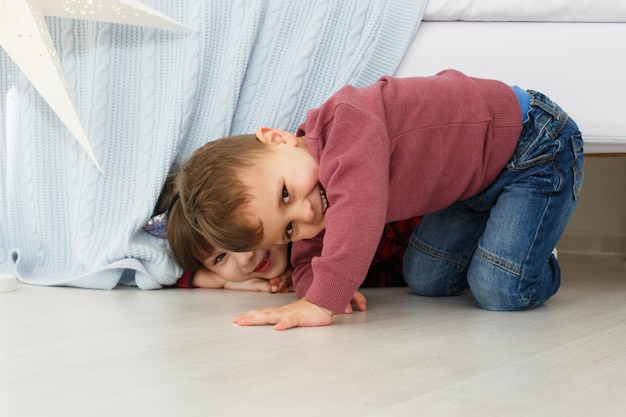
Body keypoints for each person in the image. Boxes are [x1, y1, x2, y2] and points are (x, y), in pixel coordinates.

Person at [168, 69, 584, 330]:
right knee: (426, 280)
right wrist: (312, 287)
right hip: (471, 185)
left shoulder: (347, 123)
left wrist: (322, 301)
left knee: (500, 290)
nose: (307, 212)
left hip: (531, 143)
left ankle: (531, 254)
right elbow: (313, 247)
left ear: (278, 138)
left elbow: (358, 210)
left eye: (284, 195)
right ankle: (509, 234)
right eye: (288, 228)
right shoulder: (310, 183)